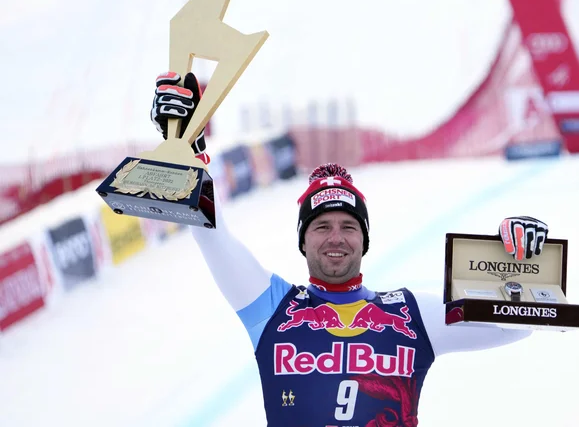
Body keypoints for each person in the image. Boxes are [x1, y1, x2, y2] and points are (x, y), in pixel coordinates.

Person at [151, 72, 550, 426]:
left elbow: (515, 324)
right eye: (321, 226)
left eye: (348, 226)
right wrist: (186, 147)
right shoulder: (271, 309)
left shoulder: (410, 314)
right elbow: (208, 228)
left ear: (365, 239)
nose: (336, 237)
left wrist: (520, 263)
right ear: (303, 242)